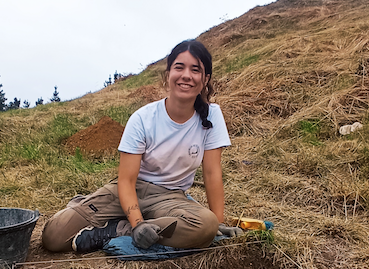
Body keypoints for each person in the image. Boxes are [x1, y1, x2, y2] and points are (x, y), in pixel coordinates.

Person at [42, 39, 242, 253]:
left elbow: (212, 173)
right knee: (53, 237)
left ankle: (116, 230)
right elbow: (126, 180)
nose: (186, 75)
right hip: (129, 191)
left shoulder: (212, 116)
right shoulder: (143, 118)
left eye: (195, 70)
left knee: (206, 226)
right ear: (168, 75)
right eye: (179, 67)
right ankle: (97, 209)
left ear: (205, 79)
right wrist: (138, 222)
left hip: (169, 197)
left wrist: (218, 223)